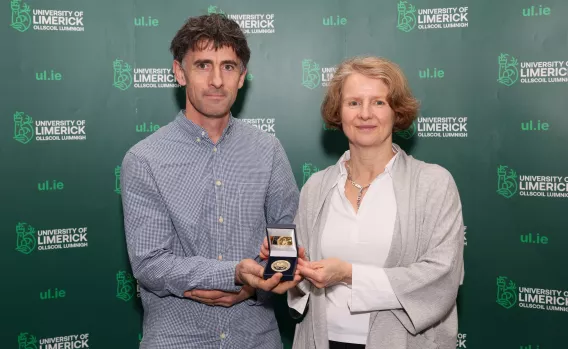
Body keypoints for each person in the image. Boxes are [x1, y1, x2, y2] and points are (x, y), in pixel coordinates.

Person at [120, 13, 302, 349]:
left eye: (228, 67)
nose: (217, 80)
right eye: (203, 65)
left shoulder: (269, 151)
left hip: (254, 339)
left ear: (242, 77)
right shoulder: (144, 159)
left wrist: (260, 279)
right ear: (179, 72)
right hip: (177, 340)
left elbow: (285, 241)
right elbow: (150, 263)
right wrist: (234, 274)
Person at [262, 56, 464, 349]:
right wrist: (289, 267)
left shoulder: (433, 183)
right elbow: (302, 285)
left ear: (397, 111)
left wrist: (348, 274)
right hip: (322, 340)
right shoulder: (316, 187)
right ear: (338, 112)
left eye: (379, 102)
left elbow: (441, 277)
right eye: (353, 103)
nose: (365, 114)